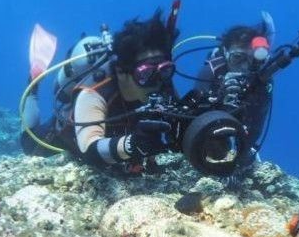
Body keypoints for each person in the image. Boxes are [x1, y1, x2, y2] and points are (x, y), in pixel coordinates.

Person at [21, 9, 178, 173]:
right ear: (121, 72)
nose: (157, 82)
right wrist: (132, 144)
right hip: (69, 136)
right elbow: (89, 150)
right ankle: (33, 85)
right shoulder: (93, 91)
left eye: (165, 69)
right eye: (145, 73)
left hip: (117, 136)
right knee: (28, 145)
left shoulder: (162, 83)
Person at [190, 13, 276, 173]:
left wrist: (244, 149)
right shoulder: (210, 73)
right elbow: (194, 117)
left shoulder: (262, 80)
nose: (244, 66)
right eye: (238, 58)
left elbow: (258, 120)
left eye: (252, 60)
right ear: (225, 52)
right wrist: (219, 100)